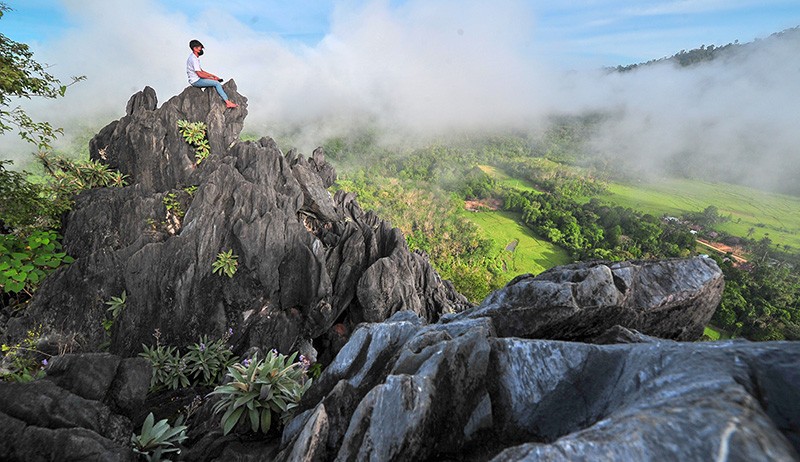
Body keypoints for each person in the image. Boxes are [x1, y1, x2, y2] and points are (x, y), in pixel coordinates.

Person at [186, 39, 238, 108]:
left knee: (215, 80)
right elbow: (199, 74)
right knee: (217, 83)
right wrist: (212, 79)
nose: (201, 49)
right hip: (196, 81)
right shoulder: (193, 59)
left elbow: (201, 71)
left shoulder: (194, 57)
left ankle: (226, 100)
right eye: (200, 47)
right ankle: (228, 102)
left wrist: (213, 76)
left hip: (197, 78)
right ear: (195, 48)